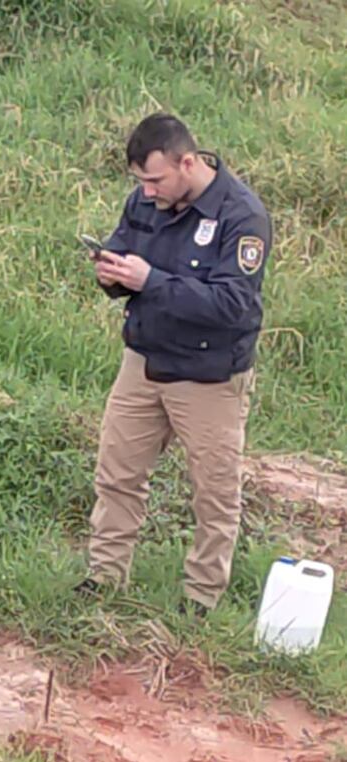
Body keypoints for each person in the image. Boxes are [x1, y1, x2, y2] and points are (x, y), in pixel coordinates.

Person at [80, 112, 272, 614]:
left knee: (213, 494)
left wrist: (151, 281)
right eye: (141, 181)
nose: (147, 192)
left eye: (155, 180)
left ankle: (201, 596)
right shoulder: (145, 201)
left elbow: (232, 304)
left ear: (188, 162)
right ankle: (104, 578)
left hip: (209, 377)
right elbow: (125, 250)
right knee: (117, 475)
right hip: (144, 361)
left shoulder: (242, 216)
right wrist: (111, 274)